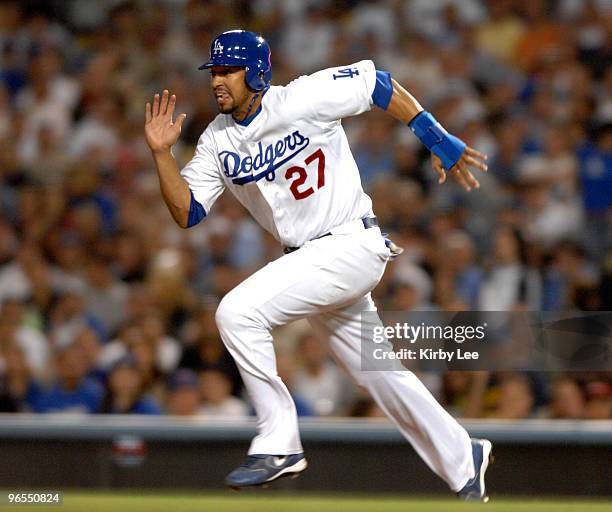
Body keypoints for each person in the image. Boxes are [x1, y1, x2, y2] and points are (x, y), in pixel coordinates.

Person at [144, 30, 491, 501]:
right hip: (312, 261)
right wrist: (162, 154)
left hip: (349, 244)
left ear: (258, 71)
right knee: (380, 374)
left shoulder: (303, 97)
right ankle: (462, 457)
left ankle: (279, 442)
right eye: (216, 72)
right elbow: (187, 212)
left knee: (236, 312)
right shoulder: (215, 141)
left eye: (229, 71)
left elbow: (379, 84)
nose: (218, 81)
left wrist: (434, 135)